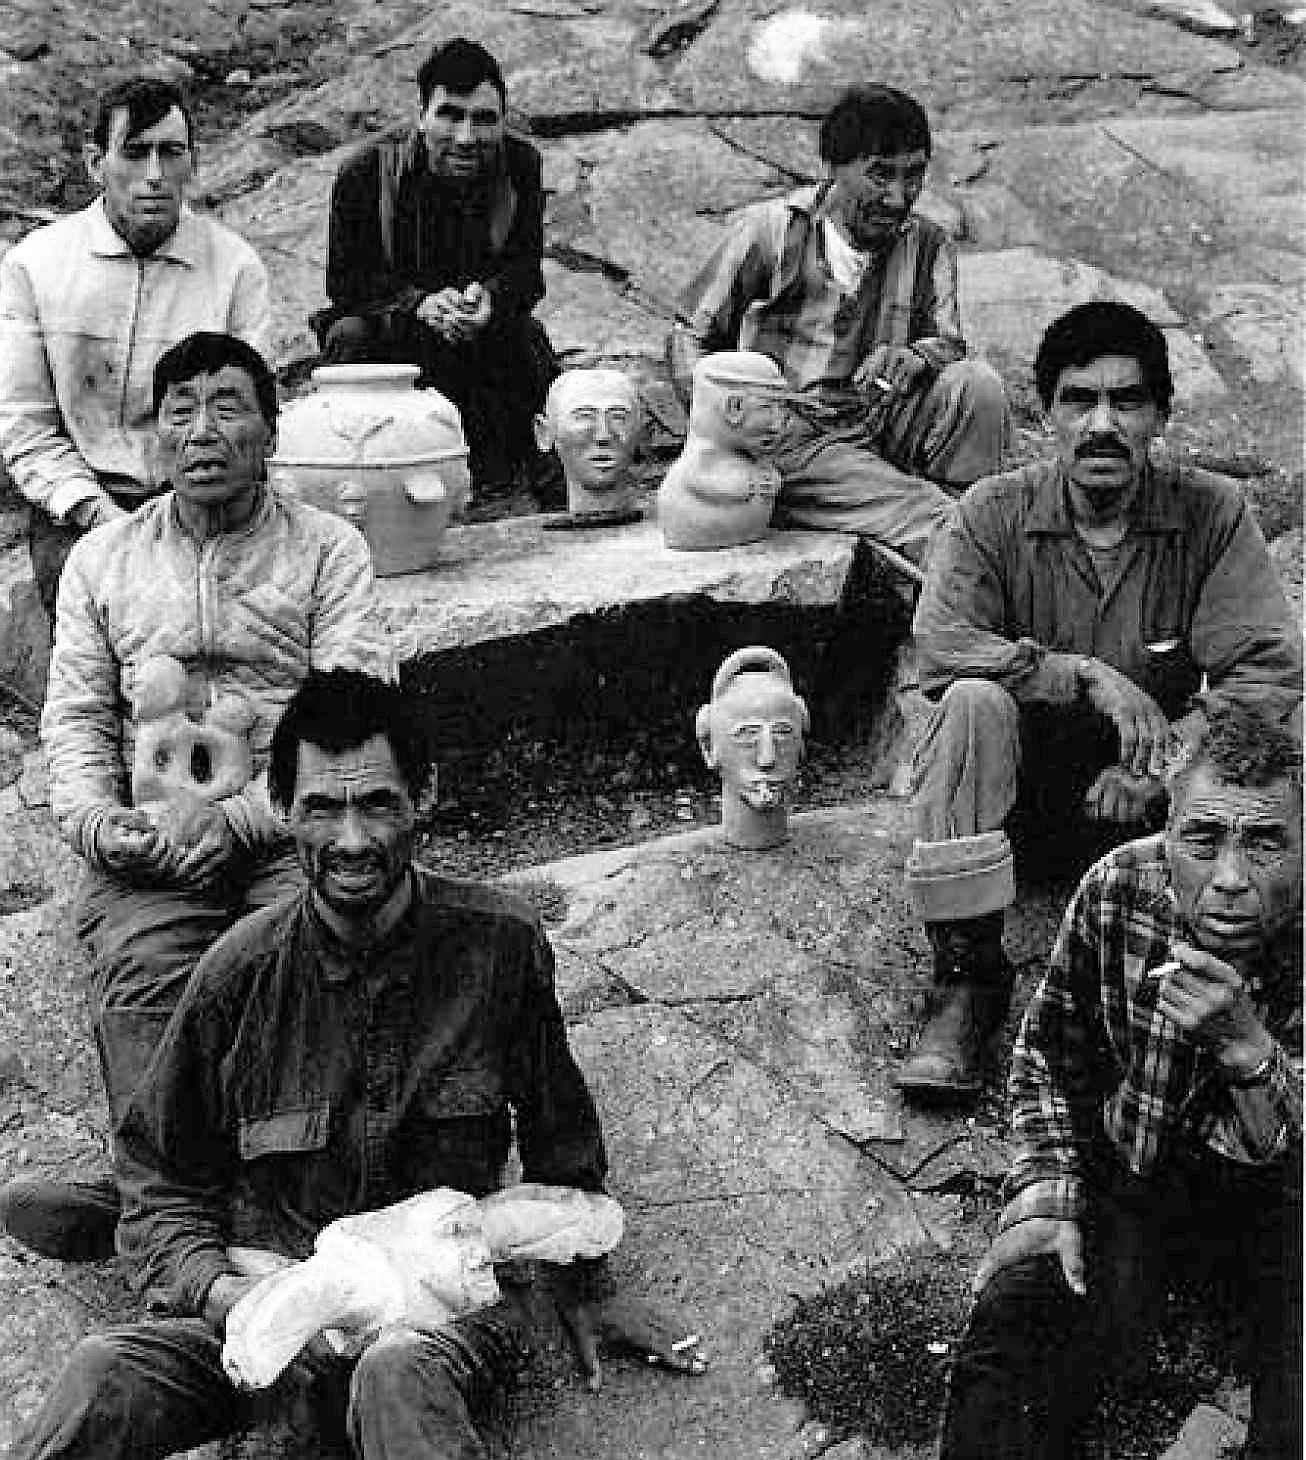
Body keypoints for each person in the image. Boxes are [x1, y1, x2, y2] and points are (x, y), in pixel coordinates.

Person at [9, 668, 707, 1459]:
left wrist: (591, 1288)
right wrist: (230, 1292)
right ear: (281, 809)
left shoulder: (500, 946)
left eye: (377, 802)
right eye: (321, 808)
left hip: (445, 1310)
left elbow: (561, 1143)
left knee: (393, 1378)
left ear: (424, 795)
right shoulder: (237, 975)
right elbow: (162, 1177)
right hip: (283, 1283)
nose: (351, 839)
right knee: (108, 1370)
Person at [0, 333, 393, 1263]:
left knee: (299, 956)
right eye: (180, 409)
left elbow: (350, 710)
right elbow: (78, 723)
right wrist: (102, 828)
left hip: (295, 829)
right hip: (153, 841)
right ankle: (166, 1201)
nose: (202, 430)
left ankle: (216, 1192)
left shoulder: (328, 549)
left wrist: (245, 818)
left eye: (227, 406)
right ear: (152, 436)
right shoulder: (104, 559)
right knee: (147, 966)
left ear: (270, 429)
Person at [896, 301, 1303, 1098]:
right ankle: (966, 978)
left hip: (1154, 817)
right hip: (1016, 810)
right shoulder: (991, 514)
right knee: (972, 700)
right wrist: (1080, 674)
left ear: (1160, 416)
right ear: (1048, 414)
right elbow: (942, 645)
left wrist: (1165, 767)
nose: (1103, 425)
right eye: (1081, 400)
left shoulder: (1210, 512)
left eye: (1128, 401)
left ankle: (1248, 984)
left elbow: (1266, 671)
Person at [938, 695, 1302, 1460]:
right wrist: (1046, 1193)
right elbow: (1045, 1057)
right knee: (1018, 1330)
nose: (1230, 878)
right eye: (1203, 839)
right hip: (1138, 1171)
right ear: (1166, 836)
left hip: (1285, 1205)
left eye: (1265, 844)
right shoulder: (1119, 887)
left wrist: (1248, 1051)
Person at [667, 84, 1006, 566]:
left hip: (879, 418)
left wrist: (914, 356)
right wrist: (719, 438)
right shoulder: (773, 231)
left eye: (913, 176)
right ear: (833, 168)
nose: (897, 197)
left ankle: (962, 510)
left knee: (978, 385)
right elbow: (690, 333)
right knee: (929, 517)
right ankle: (946, 536)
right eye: (880, 175)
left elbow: (948, 343)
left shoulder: (927, 243)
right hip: (795, 437)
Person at [0, 75, 273, 619]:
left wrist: (189, 511)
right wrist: (95, 513)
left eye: (171, 154)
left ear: (192, 162)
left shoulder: (235, 269)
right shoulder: (38, 266)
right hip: (80, 507)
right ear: (94, 163)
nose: (154, 176)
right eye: (135, 153)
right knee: (103, 643)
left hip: (205, 502)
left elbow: (251, 419)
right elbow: (24, 423)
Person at [314, 37, 561, 505]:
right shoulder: (365, 172)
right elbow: (344, 281)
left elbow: (527, 273)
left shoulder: (521, 165)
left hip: (479, 331)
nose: (466, 138)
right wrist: (417, 304)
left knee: (528, 337)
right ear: (422, 113)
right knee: (348, 335)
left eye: (484, 120)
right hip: (391, 330)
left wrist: (490, 297)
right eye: (450, 115)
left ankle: (540, 480)